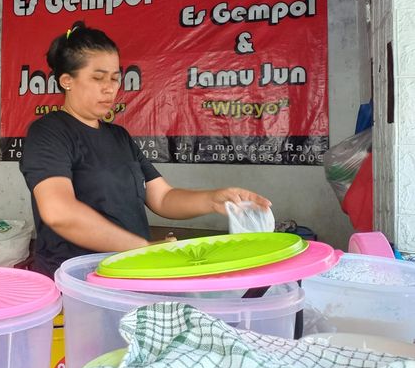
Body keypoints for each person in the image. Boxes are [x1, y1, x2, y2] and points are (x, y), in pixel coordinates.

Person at [19, 21, 271, 278]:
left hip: (130, 273)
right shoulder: (49, 132)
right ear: (67, 81)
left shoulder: (119, 137)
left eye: (115, 79)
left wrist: (214, 199)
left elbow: (162, 197)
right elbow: (59, 212)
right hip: (79, 282)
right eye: (97, 78)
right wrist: (143, 249)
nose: (110, 88)